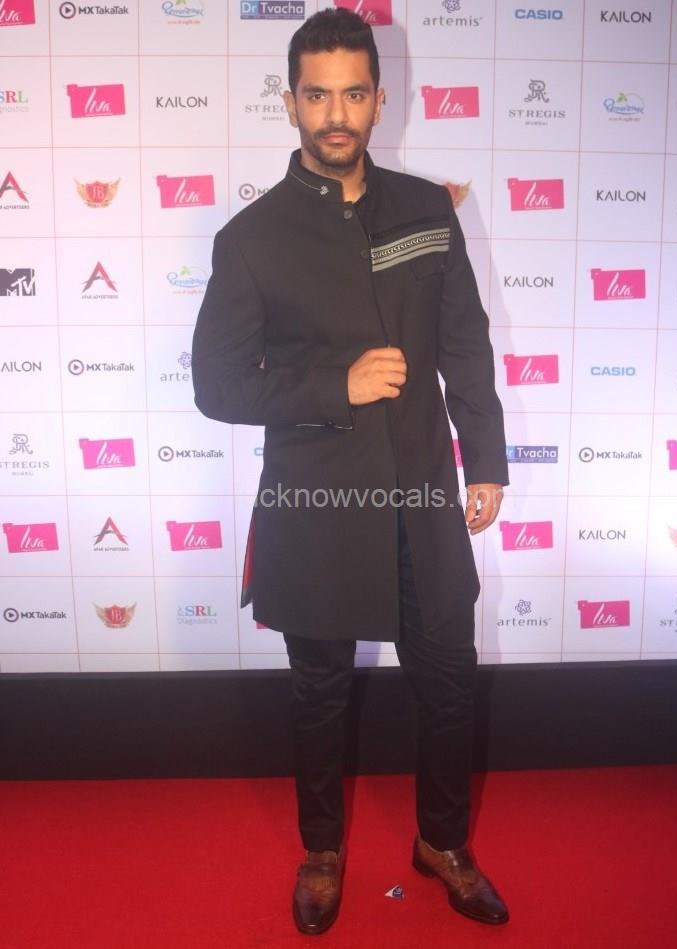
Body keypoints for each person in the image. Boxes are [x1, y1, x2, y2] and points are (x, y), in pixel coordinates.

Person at [191, 7, 510, 936]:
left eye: (354, 94)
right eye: (318, 95)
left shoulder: (427, 210)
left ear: (379, 99)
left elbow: (466, 341)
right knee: (320, 690)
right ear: (290, 101)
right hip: (317, 502)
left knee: (449, 678)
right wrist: (338, 384)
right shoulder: (251, 238)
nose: (337, 114)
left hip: (421, 491)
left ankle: (441, 843)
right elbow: (217, 385)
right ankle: (322, 851)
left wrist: (486, 457)